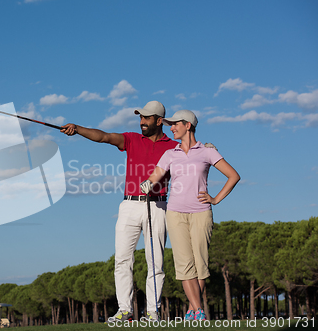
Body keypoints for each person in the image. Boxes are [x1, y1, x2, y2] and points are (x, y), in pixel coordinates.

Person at [61, 101, 178, 322]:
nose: (142, 121)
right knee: (123, 259)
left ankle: (153, 312)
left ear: (159, 120)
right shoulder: (132, 139)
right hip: (129, 205)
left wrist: (206, 147)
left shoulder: (173, 146)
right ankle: (125, 309)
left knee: (156, 261)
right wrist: (77, 128)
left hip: (158, 206)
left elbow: (192, 159)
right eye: (140, 117)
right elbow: (103, 136)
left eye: (147, 118)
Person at [140, 110, 240, 321]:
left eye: (175, 124)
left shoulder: (207, 152)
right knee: (184, 265)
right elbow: (156, 176)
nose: (171, 128)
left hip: (201, 214)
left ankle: (193, 310)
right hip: (175, 214)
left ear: (188, 125)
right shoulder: (170, 154)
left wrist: (215, 199)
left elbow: (233, 176)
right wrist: (146, 185)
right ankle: (198, 310)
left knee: (200, 265)